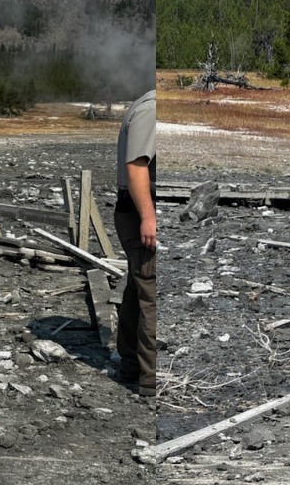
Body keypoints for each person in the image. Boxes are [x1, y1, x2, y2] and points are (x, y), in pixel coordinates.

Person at [114, 88, 157, 396]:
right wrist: (148, 217)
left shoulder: (146, 104)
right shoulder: (151, 109)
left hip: (137, 209)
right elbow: (136, 165)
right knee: (151, 293)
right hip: (140, 210)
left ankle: (132, 364)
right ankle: (151, 378)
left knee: (138, 286)